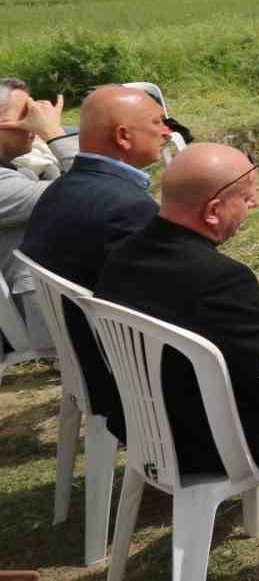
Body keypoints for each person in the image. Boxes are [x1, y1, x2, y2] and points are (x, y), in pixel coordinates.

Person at [93, 143, 259, 477]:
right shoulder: (220, 278)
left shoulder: (125, 252)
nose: (256, 203)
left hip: (148, 426)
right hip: (212, 444)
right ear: (214, 209)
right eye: (247, 197)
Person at [20, 84, 171, 433]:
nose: (167, 131)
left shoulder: (61, 189)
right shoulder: (127, 207)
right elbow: (170, 304)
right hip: (130, 373)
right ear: (123, 136)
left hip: (87, 359)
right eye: (158, 122)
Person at [0, 78, 77, 354]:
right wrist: (53, 132)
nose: (33, 124)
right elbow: (88, 194)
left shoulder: (18, 170)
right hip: (52, 330)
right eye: (24, 116)